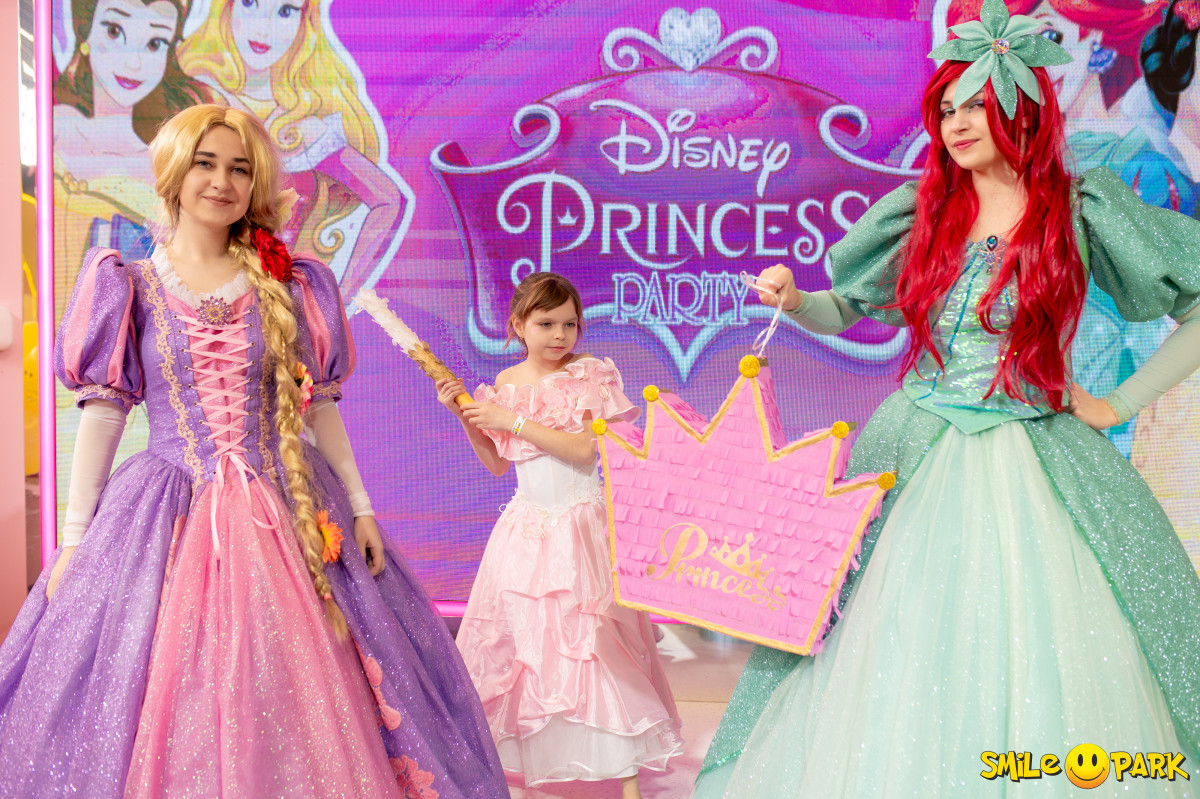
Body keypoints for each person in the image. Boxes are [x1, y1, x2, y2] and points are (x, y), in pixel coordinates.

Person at [694, 1, 1200, 795]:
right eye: (947, 108)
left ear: (1020, 110)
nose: (956, 123)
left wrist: (1118, 401)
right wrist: (797, 301)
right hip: (913, 449)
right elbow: (846, 307)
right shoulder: (925, 210)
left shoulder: (1081, 210)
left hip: (1037, 454)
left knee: (1042, 644)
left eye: (975, 105)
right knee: (886, 641)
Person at [0, 104, 506, 798]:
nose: (222, 181)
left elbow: (319, 405)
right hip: (167, 509)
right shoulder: (129, 284)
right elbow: (103, 416)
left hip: (290, 503)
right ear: (173, 172)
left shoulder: (293, 284)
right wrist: (75, 540)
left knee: (309, 679)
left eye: (240, 169)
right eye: (205, 163)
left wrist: (360, 506)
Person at [434, 272, 683, 799]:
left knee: (595, 647)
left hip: (581, 528)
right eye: (546, 324)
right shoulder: (506, 383)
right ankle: (534, 768)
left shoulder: (589, 374)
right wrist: (468, 418)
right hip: (525, 531)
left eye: (569, 324)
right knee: (528, 650)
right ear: (518, 325)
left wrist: (510, 420)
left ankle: (627, 781)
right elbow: (498, 465)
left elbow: (583, 449)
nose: (560, 335)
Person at [178, 0, 413, 303]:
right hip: (191, 301)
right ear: (226, 7)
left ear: (305, 21)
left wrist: (340, 299)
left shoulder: (307, 126)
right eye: (250, 2)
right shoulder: (192, 98)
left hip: (276, 311)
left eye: (285, 10)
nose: (264, 27)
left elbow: (388, 200)